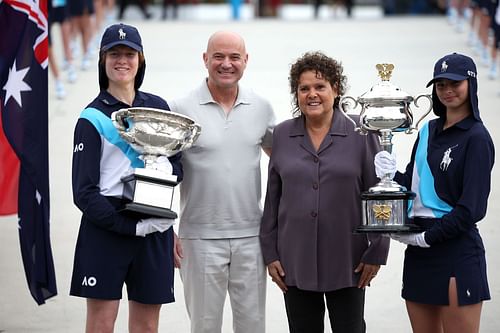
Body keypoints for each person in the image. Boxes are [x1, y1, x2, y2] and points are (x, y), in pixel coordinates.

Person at [259, 51, 390, 333]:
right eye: (304, 88)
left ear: (336, 89)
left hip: (349, 259)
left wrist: (377, 249)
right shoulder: (283, 134)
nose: (312, 94)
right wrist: (270, 253)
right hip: (294, 259)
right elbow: (273, 199)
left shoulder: (362, 131)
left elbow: (380, 193)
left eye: (320, 86)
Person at [70, 23, 182, 333]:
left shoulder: (158, 107)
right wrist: (127, 226)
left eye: (129, 54)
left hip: (153, 229)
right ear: (103, 60)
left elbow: (179, 164)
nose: (122, 60)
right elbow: (84, 191)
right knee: (101, 324)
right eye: (114, 54)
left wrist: (166, 174)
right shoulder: (91, 118)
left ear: (141, 59)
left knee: (147, 327)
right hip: (106, 229)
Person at [375, 52, 494, 333]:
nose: (447, 91)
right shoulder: (427, 130)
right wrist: (388, 175)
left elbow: (472, 208)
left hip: (455, 251)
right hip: (419, 253)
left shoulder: (477, 137)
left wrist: (428, 238)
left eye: (455, 83)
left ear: (471, 84)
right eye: (440, 85)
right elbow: (414, 185)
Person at [168, 30, 276, 333]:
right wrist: (166, 229)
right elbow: (162, 170)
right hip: (198, 238)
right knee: (204, 327)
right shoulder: (180, 108)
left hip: (251, 238)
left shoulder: (262, 108)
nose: (226, 64)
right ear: (205, 59)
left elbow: (284, 164)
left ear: (245, 61)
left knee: (253, 326)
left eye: (234, 57)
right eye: (218, 56)